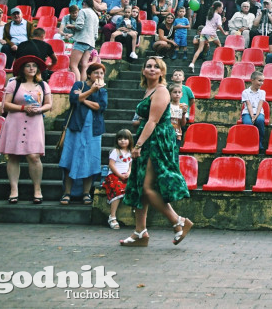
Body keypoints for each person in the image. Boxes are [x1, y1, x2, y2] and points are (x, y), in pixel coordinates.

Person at [120, 57, 193, 247]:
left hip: (157, 140)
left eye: (156, 67)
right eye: (148, 66)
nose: (152, 69)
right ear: (143, 71)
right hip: (148, 137)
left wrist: (137, 146)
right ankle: (140, 232)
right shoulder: (149, 90)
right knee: (139, 185)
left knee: (147, 187)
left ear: (162, 72)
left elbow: (153, 121)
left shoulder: (161, 91)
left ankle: (178, 221)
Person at [0, 56, 53, 204]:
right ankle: (14, 189)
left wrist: (39, 109)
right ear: (22, 68)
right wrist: (23, 108)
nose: (31, 68)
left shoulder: (43, 85)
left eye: (34, 66)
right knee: (13, 156)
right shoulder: (13, 83)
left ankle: (37, 189)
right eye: (28, 66)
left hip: (35, 121)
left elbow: (49, 105)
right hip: (15, 121)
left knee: (34, 156)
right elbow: (6, 105)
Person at [59, 63, 108, 205]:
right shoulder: (78, 85)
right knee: (69, 160)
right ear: (89, 74)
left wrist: (83, 99)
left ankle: (86, 193)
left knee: (91, 162)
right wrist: (90, 91)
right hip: (75, 127)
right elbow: (74, 100)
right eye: (96, 73)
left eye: (101, 74)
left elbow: (101, 107)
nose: (99, 76)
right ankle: (67, 193)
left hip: (94, 130)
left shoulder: (103, 91)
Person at [103, 129, 134, 230]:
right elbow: (111, 165)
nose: (122, 141)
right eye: (120, 139)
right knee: (118, 188)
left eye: (125, 139)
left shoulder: (130, 152)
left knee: (136, 187)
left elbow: (130, 166)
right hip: (114, 175)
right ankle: (112, 217)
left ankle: (136, 212)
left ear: (130, 140)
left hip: (126, 175)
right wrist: (120, 175)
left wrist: (128, 173)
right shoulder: (115, 152)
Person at [188, 1, 226, 71]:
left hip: (204, 31)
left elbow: (213, 26)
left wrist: (222, 22)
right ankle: (216, 61)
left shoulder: (209, 14)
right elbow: (219, 26)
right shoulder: (218, 16)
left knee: (200, 49)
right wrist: (224, 33)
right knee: (219, 45)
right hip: (211, 33)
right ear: (218, 8)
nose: (222, 9)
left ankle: (192, 63)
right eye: (221, 8)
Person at [69, 0, 99, 85]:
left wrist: (71, 26)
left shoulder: (83, 11)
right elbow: (96, 34)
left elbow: (79, 26)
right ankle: (83, 86)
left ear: (84, 4)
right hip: (91, 43)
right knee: (84, 66)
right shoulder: (95, 15)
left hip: (82, 40)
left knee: (73, 65)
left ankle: (78, 86)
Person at [242, 72, 269, 151]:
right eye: (259, 80)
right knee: (248, 123)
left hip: (259, 112)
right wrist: (252, 116)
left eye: (262, 81)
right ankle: (250, 143)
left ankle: (259, 142)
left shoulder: (262, 92)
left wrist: (256, 116)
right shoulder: (245, 92)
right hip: (247, 112)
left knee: (260, 120)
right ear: (252, 80)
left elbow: (260, 105)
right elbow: (248, 105)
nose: (261, 83)